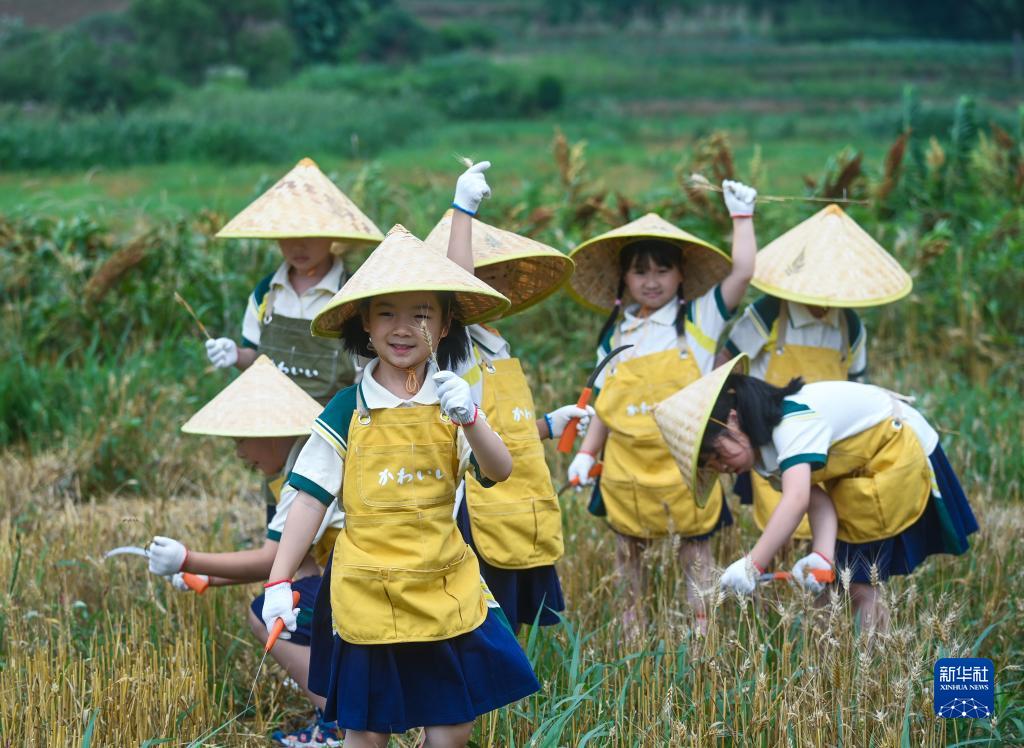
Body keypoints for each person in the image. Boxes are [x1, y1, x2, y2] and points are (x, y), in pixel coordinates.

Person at [260, 219, 539, 747]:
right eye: (387, 312)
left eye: (421, 313)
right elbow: (310, 500)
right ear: (364, 322)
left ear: (445, 321)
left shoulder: (453, 400)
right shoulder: (347, 409)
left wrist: (472, 417)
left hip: (443, 585)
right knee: (365, 732)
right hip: (366, 590)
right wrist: (278, 580)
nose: (403, 327)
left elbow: (500, 471)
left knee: (452, 726)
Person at [654, 354, 978, 632]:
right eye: (714, 466)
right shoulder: (766, 454)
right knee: (836, 577)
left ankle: (871, 665)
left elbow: (796, 500)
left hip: (893, 454)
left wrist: (753, 564)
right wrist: (822, 556)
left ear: (733, 420)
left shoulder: (790, 423)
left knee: (859, 581)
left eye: (720, 455)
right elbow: (816, 498)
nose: (723, 468)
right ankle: (841, 663)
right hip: (858, 472)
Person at [563, 181, 759, 635]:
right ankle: (632, 638)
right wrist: (586, 455)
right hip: (627, 469)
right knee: (627, 557)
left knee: (696, 556)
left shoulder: (699, 320)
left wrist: (741, 217)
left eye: (662, 271)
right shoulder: (614, 338)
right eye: (639, 272)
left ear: (680, 275)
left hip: (685, 465)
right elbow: (606, 408)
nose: (651, 282)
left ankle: (702, 642)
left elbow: (743, 272)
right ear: (624, 279)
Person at [147, 355, 346, 746]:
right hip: (342, 578)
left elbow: (272, 560)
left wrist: (187, 558)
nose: (238, 453)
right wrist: (206, 577)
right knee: (295, 583)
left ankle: (336, 721)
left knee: (263, 615)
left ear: (272, 432)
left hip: (358, 586)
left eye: (240, 439)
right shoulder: (296, 465)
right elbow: (293, 563)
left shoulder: (302, 479)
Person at [425, 204, 590, 632]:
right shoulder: (452, 345)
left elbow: (500, 429)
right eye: (483, 279)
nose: (493, 289)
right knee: (480, 612)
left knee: (513, 620)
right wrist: (463, 211)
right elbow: (454, 292)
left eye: (500, 280)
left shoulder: (498, 344)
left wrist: (549, 426)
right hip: (475, 500)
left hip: (519, 497)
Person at [718, 204, 912, 540]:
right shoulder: (770, 313)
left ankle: (817, 584)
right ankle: (770, 585)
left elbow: (857, 382)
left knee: (826, 522)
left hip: (830, 440)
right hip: (774, 434)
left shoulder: (849, 324)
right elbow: (727, 359)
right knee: (782, 523)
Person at [206, 157, 384, 403]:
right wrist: (235, 354)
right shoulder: (267, 293)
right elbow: (255, 358)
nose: (298, 246)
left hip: (331, 418)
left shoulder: (353, 294)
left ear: (331, 233)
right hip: (272, 410)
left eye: (309, 235)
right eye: (288, 235)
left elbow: (371, 369)